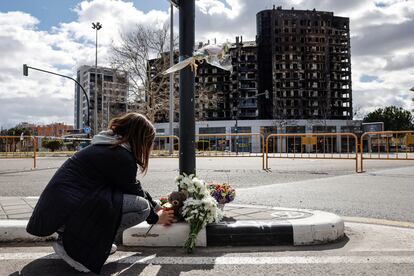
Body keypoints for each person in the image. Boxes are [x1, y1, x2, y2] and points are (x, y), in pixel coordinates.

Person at [26, 113, 174, 273]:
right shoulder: (120, 156)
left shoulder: (109, 146)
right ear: (140, 138)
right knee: (141, 208)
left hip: (60, 211)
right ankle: (77, 247)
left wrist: (158, 206)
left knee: (131, 202)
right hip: (65, 213)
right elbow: (134, 190)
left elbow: (132, 186)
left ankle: (87, 240)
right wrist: (156, 218)